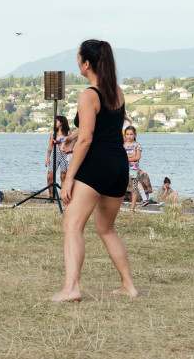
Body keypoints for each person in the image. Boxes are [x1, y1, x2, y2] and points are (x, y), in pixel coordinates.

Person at [51, 39, 137, 302]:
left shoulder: (88, 95)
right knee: (106, 229)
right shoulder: (117, 91)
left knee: (72, 225)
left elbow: (89, 139)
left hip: (96, 165)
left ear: (86, 63)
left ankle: (71, 288)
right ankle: (128, 286)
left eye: (78, 58)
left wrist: (69, 180)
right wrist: (74, 136)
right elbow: (103, 126)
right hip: (119, 165)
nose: (77, 62)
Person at [45, 116, 71, 198]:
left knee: (63, 176)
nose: (55, 123)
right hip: (55, 154)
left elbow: (71, 146)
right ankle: (51, 195)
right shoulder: (53, 134)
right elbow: (50, 147)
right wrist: (48, 158)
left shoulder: (68, 134)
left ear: (62, 122)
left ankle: (63, 195)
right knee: (49, 176)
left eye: (57, 121)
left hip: (64, 155)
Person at [124, 126, 143, 213]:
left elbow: (137, 157)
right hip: (123, 168)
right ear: (125, 135)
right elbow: (121, 156)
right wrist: (132, 156)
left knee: (134, 188)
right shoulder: (122, 145)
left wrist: (126, 157)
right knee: (122, 187)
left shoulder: (137, 145)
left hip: (134, 169)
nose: (129, 136)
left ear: (134, 134)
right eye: (127, 134)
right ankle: (119, 206)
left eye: (131, 134)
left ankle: (132, 208)